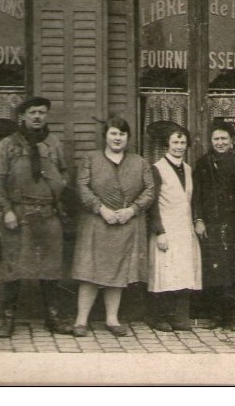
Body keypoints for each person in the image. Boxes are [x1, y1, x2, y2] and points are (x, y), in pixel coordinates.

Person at [0, 96, 74, 337]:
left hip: (48, 214)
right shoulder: (8, 144)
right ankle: (8, 320)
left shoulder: (54, 143)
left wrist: (59, 188)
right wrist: (6, 209)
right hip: (18, 215)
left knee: (51, 268)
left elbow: (64, 172)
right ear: (23, 116)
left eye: (41, 112)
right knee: (13, 268)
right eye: (32, 112)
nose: (37, 117)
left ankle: (53, 317)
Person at [71, 117, 154, 337]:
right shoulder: (90, 159)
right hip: (96, 223)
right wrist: (101, 209)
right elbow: (81, 187)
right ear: (106, 136)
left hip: (125, 223)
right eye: (114, 133)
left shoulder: (140, 162)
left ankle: (112, 319)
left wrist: (132, 210)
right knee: (90, 271)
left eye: (122, 134)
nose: (118, 138)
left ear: (128, 138)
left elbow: (150, 191)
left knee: (117, 272)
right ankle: (81, 321)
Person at [192, 126, 235, 331]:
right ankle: (216, 316)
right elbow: (197, 195)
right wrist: (198, 219)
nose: (220, 142)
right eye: (216, 138)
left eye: (224, 138)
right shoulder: (204, 163)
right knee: (215, 269)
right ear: (211, 140)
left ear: (231, 140)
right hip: (212, 223)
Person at [147, 124, 202, 332]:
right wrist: (159, 231)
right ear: (167, 145)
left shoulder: (188, 169)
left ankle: (180, 317)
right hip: (166, 229)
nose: (179, 146)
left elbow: (191, 200)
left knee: (184, 272)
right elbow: (152, 204)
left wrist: (197, 220)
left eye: (182, 143)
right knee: (165, 273)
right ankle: (158, 317)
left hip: (184, 230)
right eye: (175, 142)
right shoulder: (157, 169)